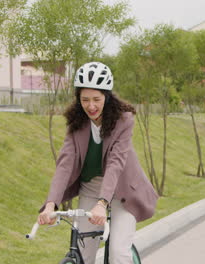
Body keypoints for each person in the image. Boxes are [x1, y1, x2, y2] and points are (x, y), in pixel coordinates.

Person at [38, 62, 158, 264]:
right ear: (78, 99)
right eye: (85, 99)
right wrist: (51, 204)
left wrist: (102, 203)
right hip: (91, 188)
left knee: (118, 254)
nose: (91, 106)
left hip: (122, 190)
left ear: (107, 97)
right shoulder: (76, 122)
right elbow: (65, 164)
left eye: (96, 99)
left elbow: (116, 163)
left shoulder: (123, 120)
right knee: (83, 255)